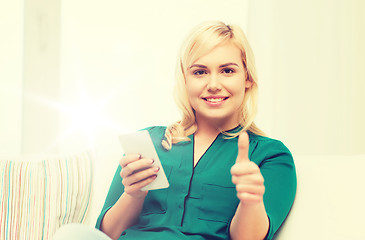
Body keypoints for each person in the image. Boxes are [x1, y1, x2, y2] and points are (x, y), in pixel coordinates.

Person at [54, 20, 296, 240]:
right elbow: (107, 234)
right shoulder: (149, 142)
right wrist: (134, 194)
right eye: (200, 72)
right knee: (70, 234)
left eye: (227, 71)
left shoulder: (271, 156)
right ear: (185, 79)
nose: (213, 85)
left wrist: (250, 200)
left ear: (247, 79)